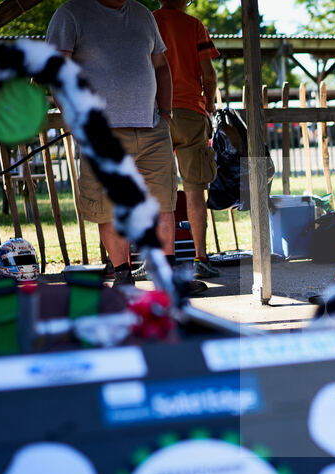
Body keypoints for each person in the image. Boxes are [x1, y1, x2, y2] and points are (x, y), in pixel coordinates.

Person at [46, 0, 199, 291]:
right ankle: (123, 278)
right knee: (109, 208)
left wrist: (165, 114)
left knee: (163, 204)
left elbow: (161, 67)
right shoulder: (71, 13)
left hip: (152, 127)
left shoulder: (142, 14)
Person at [153, 0, 220, 280]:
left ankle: (159, 260)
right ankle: (200, 257)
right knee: (194, 189)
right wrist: (210, 102)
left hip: (156, 112)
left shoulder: (148, 21)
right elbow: (209, 73)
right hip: (191, 111)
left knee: (157, 189)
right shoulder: (194, 25)